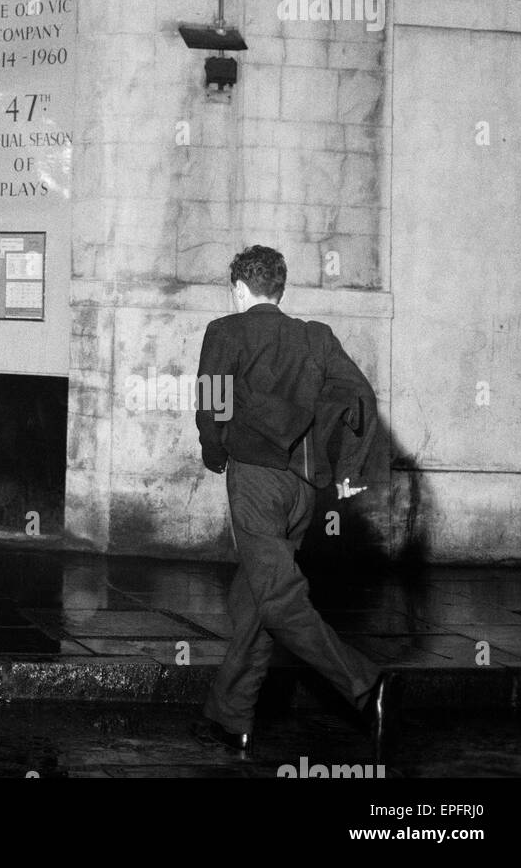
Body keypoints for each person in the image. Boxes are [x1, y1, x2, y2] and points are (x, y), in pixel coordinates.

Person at [192, 245, 392, 759]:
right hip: (304, 490)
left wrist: (215, 453)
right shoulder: (314, 337)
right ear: (279, 289)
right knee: (257, 598)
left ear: (239, 289)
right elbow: (360, 397)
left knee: (279, 598)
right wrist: (349, 471)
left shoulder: (226, 331)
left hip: (256, 482)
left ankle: (364, 685)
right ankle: (230, 715)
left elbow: (213, 405)